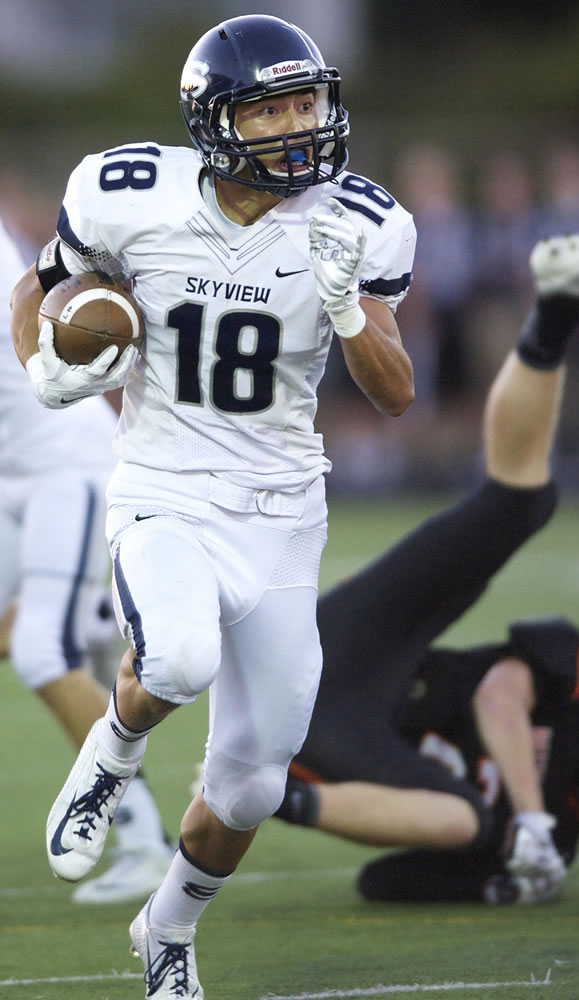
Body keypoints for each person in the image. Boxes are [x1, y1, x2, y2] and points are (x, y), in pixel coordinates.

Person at [11, 14, 415, 998]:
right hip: (163, 484)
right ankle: (110, 756)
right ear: (217, 119)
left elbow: (396, 392)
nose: (295, 126)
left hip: (282, 509)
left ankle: (169, 931)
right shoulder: (130, 194)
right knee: (180, 654)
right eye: (270, 107)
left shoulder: (357, 219)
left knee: (253, 782)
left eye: (306, 101)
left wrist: (350, 308)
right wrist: (43, 365)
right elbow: (42, 288)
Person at [274, 221, 579, 904]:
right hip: (354, 657)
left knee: (462, 820)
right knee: (519, 504)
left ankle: (246, 795)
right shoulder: (571, 685)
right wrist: (531, 815)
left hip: (328, 750)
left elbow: (383, 882)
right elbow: (498, 694)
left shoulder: (559, 852)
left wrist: (503, 874)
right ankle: (558, 307)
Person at [0, 219, 173, 905]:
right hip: (15, 475)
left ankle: (142, 837)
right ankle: (100, 628)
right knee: (26, 640)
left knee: (44, 649)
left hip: (62, 468)